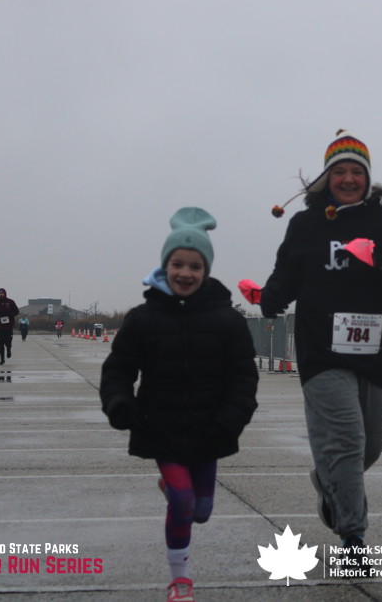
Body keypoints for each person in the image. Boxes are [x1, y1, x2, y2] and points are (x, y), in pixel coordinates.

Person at [257, 129, 382, 565]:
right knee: (348, 442)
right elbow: (287, 274)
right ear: (326, 178)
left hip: (375, 352)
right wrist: (268, 299)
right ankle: (353, 538)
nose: (349, 179)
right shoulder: (306, 224)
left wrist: (375, 260)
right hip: (321, 351)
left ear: (367, 179)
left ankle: (327, 477)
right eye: (340, 171)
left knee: (369, 447)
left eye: (357, 171)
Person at [100, 207, 259, 602]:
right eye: (177, 264)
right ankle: (180, 580)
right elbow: (118, 368)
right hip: (161, 428)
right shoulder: (143, 319)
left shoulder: (227, 321)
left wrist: (231, 420)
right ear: (165, 266)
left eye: (195, 266)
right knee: (184, 502)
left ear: (206, 271)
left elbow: (243, 378)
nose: (185, 273)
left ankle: (175, 494)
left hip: (210, 431)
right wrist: (120, 403)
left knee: (201, 509)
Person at [0, 288, 19, 365]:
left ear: (5, 294)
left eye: (2, 293)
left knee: (8, 341)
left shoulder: (10, 302)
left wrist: (11, 314)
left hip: (9, 326)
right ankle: (2, 359)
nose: (1, 295)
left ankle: (8, 349)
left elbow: (16, 311)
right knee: (1, 342)